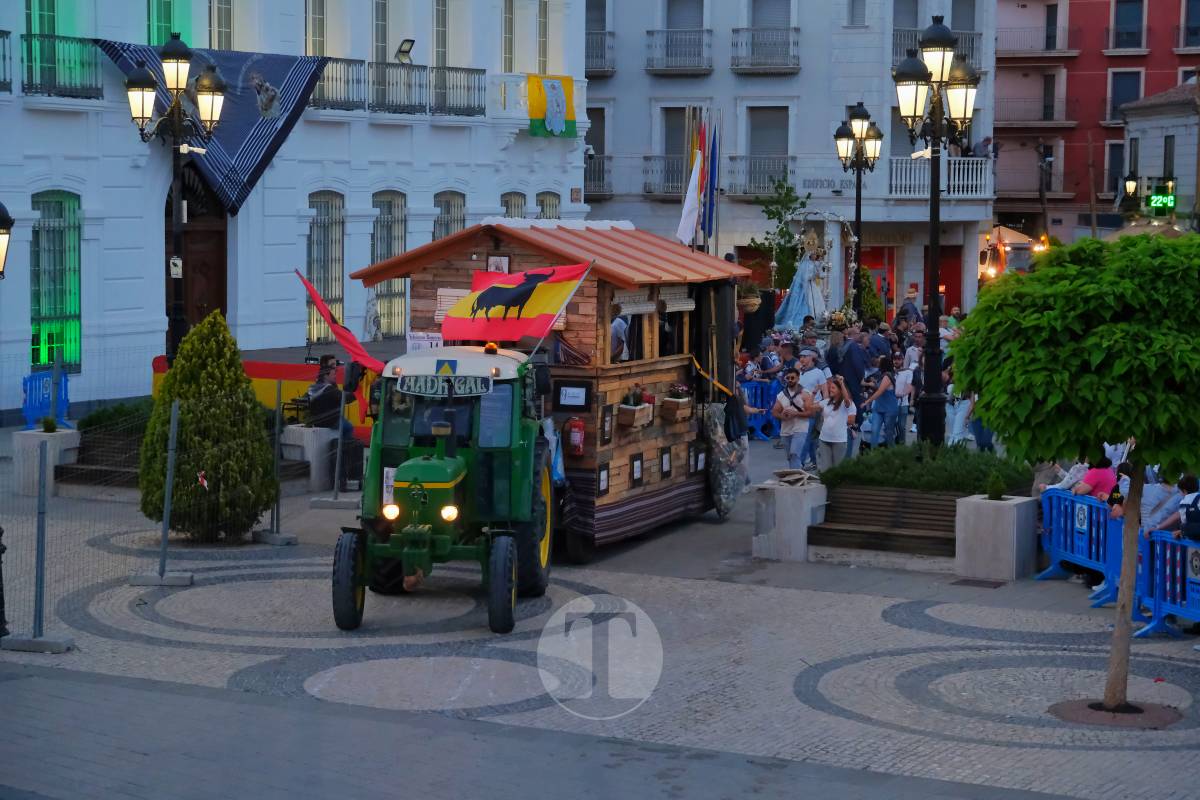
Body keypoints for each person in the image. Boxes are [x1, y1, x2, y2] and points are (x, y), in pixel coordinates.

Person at [772, 368, 817, 469]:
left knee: (794, 454)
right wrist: (782, 416)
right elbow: (774, 412)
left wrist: (795, 414)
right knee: (790, 457)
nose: (790, 380)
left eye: (793, 378)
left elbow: (812, 413)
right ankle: (798, 474)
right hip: (786, 430)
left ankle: (796, 476)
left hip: (800, 429)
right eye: (788, 378)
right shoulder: (781, 395)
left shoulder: (805, 394)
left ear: (798, 378)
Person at [816, 376, 856, 471]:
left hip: (839, 440)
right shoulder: (827, 402)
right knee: (825, 469)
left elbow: (847, 402)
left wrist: (841, 383)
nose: (830, 389)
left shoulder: (846, 403)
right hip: (824, 438)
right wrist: (813, 393)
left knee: (837, 468)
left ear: (840, 390)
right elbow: (810, 407)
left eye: (833, 388)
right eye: (830, 387)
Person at [307, 365, 356, 439]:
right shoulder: (328, 389)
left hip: (315, 420)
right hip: (328, 421)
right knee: (349, 427)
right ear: (325, 376)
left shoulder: (313, 387)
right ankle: (344, 445)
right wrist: (356, 394)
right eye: (333, 374)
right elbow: (345, 399)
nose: (335, 376)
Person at [861, 355, 900, 449]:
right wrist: (868, 383)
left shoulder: (887, 376)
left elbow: (880, 391)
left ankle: (891, 452)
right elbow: (877, 387)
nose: (878, 364)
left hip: (889, 409)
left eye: (879, 362)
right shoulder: (882, 376)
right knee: (874, 430)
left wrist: (867, 401)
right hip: (878, 408)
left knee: (888, 433)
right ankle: (874, 453)